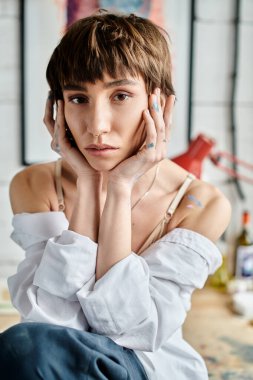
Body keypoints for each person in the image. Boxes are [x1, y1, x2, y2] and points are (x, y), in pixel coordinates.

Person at [0, 11, 231, 380]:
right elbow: (53, 323)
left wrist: (120, 188)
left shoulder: (201, 203)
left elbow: (129, 331)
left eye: (120, 95)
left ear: (161, 105)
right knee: (25, 345)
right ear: (57, 109)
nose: (97, 125)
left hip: (151, 370)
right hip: (53, 368)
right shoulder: (35, 185)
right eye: (78, 99)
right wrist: (90, 183)